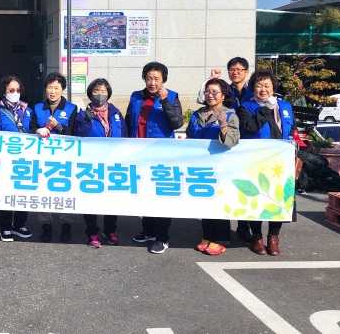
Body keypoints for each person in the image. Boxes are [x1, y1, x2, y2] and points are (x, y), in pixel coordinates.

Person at [124, 61, 183, 254]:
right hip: (139, 153)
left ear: (163, 80)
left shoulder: (172, 96)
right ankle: (148, 231)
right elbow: (128, 122)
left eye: (157, 79)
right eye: (149, 78)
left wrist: (165, 102)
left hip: (161, 155)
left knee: (161, 195)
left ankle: (162, 238)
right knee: (144, 192)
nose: (152, 82)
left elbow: (176, 123)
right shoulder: (136, 96)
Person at [237, 68, 296, 256]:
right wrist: (265, 110)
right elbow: (250, 128)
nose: (263, 89)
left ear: (273, 87)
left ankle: (273, 237)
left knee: (279, 198)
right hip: (256, 161)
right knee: (257, 198)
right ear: (253, 88)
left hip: (281, 161)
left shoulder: (285, 105)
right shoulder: (246, 107)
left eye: (267, 85)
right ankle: (257, 237)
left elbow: (291, 128)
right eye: (259, 85)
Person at [196, 57, 254, 239]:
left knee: (234, 193)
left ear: (246, 72)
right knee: (210, 197)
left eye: (239, 69)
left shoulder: (252, 92)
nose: (235, 72)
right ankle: (210, 235)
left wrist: (224, 126)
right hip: (208, 159)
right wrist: (211, 80)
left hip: (238, 149)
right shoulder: (220, 92)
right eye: (232, 69)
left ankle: (236, 231)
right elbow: (203, 99)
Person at [187, 78, 240, 256]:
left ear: (223, 95)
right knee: (204, 200)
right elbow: (189, 137)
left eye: (215, 92)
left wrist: (223, 124)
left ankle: (221, 239)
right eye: (208, 91)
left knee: (219, 201)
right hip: (200, 166)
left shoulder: (230, 115)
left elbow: (232, 142)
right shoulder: (198, 114)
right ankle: (207, 236)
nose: (210, 95)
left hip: (221, 166)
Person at [73, 78, 126, 248]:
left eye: (103, 91)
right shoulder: (83, 114)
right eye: (96, 91)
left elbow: (124, 136)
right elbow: (78, 135)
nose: (100, 94)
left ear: (108, 93)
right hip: (92, 163)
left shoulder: (116, 113)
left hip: (113, 162)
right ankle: (92, 232)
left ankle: (110, 231)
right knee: (91, 198)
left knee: (112, 198)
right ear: (90, 93)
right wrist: (87, 121)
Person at [29, 72, 79, 242]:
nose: (52, 91)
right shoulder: (37, 107)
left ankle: (67, 224)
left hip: (64, 156)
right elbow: (30, 128)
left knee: (66, 188)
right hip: (42, 156)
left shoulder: (71, 108)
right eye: (49, 87)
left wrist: (58, 126)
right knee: (42, 188)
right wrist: (37, 130)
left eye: (56, 88)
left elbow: (74, 132)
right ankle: (45, 224)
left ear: (62, 89)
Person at [0, 75, 33, 242]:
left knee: (23, 191)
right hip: (5, 157)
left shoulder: (27, 110)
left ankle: (19, 224)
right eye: (11, 90)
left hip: (25, 157)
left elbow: (32, 129)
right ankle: (5, 227)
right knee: (7, 192)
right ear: (4, 92)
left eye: (17, 90)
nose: (15, 93)